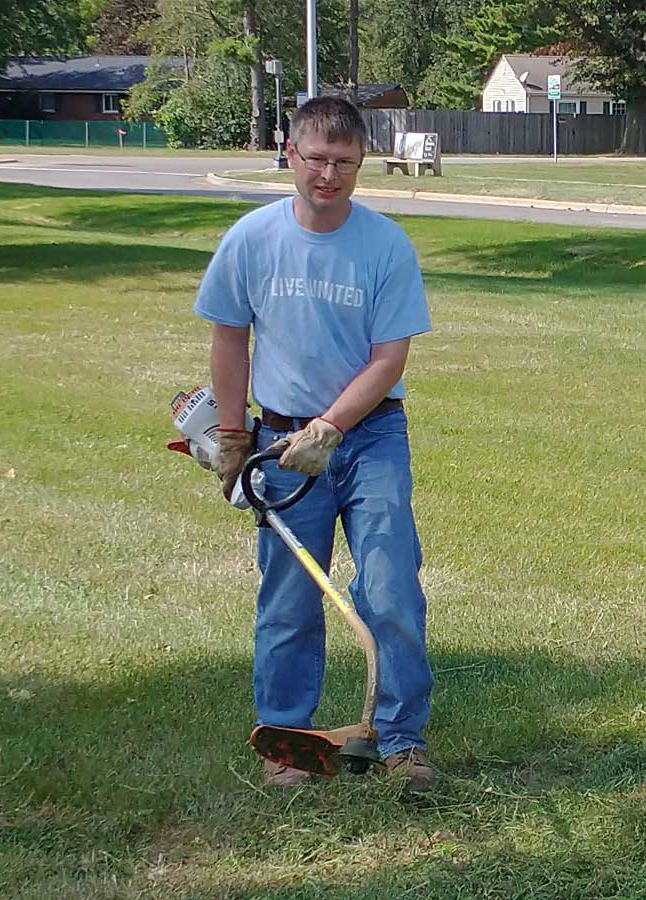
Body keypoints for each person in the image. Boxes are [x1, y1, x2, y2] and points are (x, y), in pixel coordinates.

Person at [193, 97, 436, 791]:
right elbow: (229, 339)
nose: (328, 175)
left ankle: (401, 741)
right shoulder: (251, 239)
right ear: (290, 153)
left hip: (370, 437)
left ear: (362, 164)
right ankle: (286, 740)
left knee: (390, 588)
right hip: (279, 439)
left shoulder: (385, 245)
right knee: (290, 596)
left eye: (345, 163)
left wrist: (332, 427)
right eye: (317, 159)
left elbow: (389, 358)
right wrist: (236, 439)